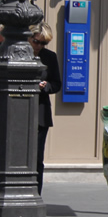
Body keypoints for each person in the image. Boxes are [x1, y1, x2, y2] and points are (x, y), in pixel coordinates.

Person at [30, 22, 62, 195]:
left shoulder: (49, 57)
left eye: (44, 43)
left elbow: (57, 84)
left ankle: (36, 193)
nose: (39, 46)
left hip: (40, 112)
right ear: (29, 38)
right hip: (19, 112)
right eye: (36, 42)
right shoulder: (19, 53)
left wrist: (46, 86)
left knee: (37, 158)